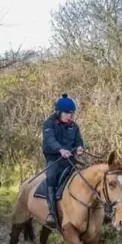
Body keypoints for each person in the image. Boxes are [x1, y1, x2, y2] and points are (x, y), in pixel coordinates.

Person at [42, 94, 85, 229]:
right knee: (51, 177)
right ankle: (52, 213)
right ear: (59, 112)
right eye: (67, 113)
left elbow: (79, 141)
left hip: (70, 159)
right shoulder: (49, 124)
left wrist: (79, 148)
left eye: (71, 113)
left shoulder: (74, 126)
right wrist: (60, 150)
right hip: (54, 158)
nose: (69, 116)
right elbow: (50, 140)